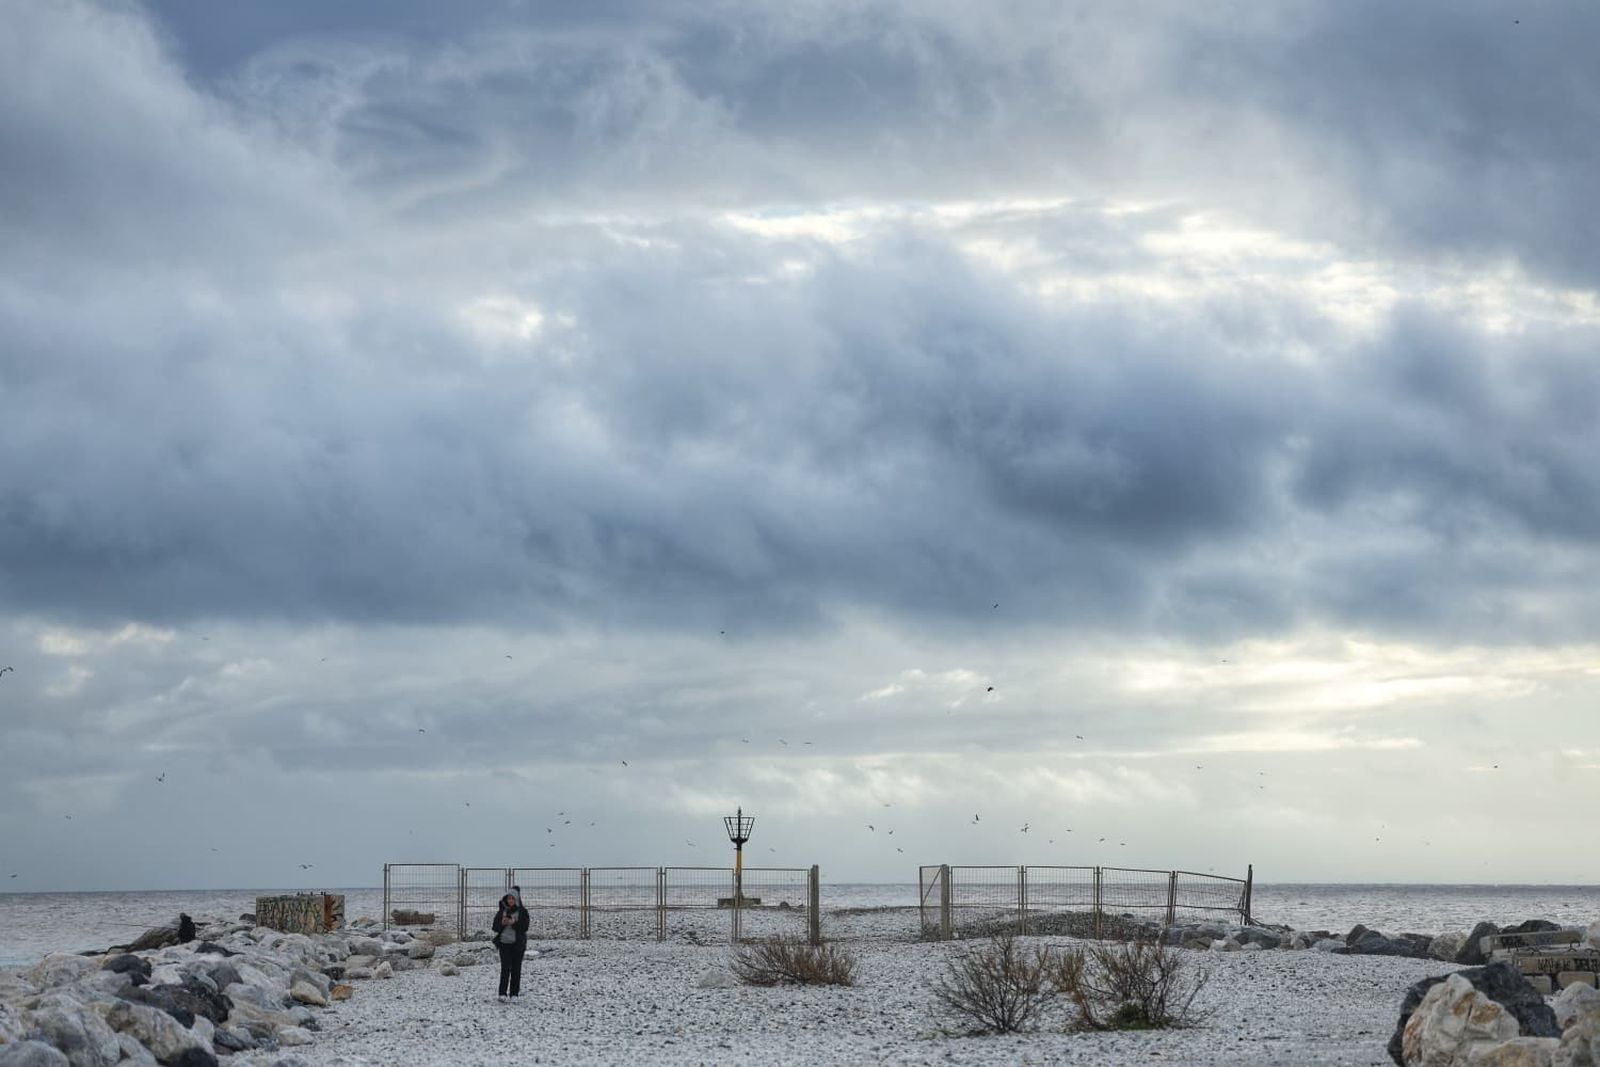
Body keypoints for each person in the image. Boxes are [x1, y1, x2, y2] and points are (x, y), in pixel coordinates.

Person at [490, 890, 530, 1001]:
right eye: (509, 898)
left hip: (518, 944)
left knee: (516, 969)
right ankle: (502, 993)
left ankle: (514, 994)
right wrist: (501, 923)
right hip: (504, 943)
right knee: (505, 968)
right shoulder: (502, 911)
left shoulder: (522, 912)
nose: (511, 900)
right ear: (506, 899)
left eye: (513, 898)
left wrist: (514, 923)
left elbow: (525, 927)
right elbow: (494, 927)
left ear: (517, 899)